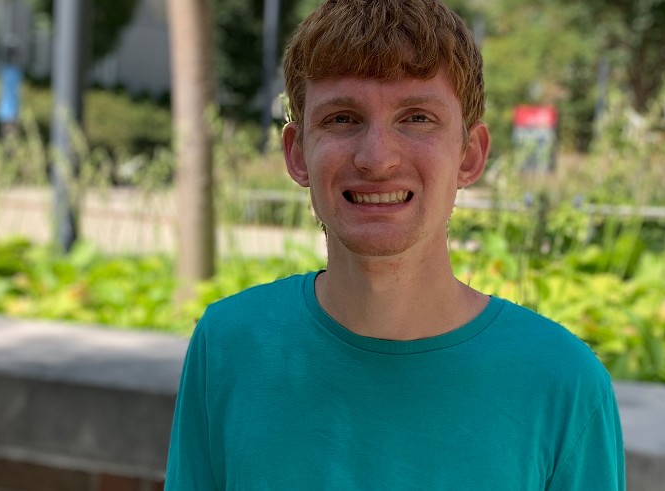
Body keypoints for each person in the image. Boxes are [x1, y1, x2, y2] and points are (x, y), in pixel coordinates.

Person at [165, 0, 625, 488]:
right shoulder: (228, 346)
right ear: (297, 154)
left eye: (417, 118)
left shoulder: (562, 383)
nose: (377, 158)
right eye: (343, 119)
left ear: (470, 156)